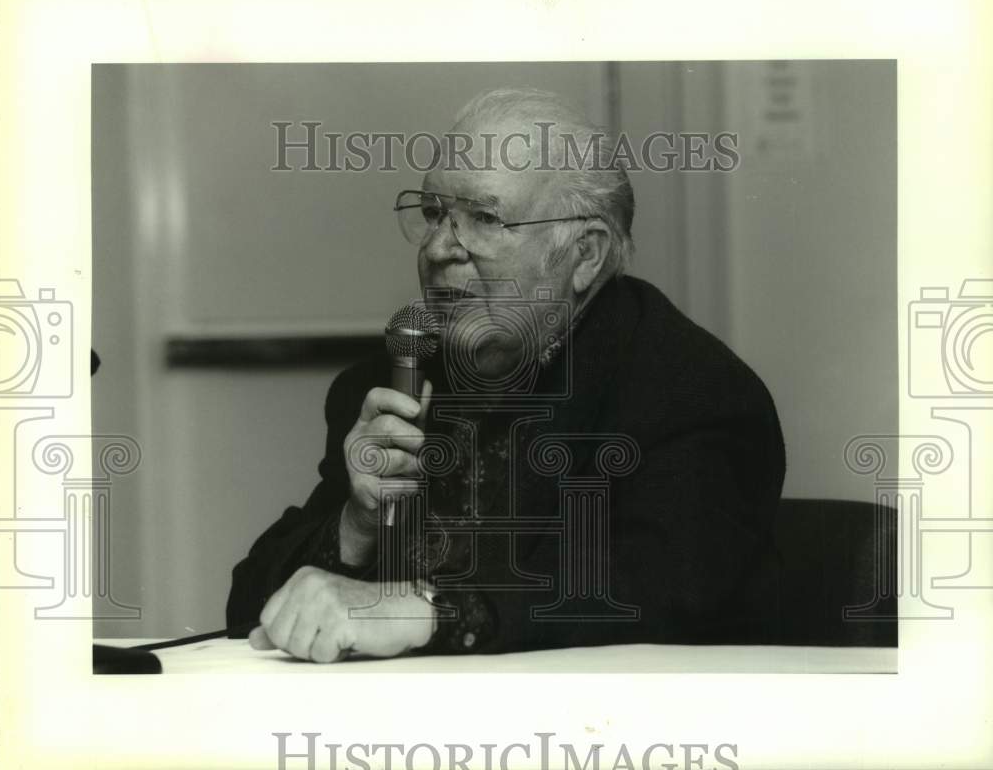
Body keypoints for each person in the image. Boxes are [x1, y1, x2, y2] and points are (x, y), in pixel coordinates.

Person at [226, 88, 786, 662]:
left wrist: (425, 613)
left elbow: (650, 589)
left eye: (484, 218)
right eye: (433, 214)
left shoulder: (691, 389)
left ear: (584, 254)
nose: (440, 247)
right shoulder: (388, 382)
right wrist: (356, 524)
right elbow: (249, 612)